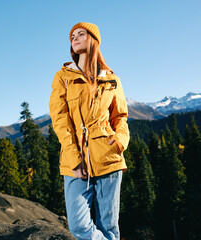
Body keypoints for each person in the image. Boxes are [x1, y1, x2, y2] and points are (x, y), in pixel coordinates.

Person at [49, 22, 130, 240]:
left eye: (80, 34)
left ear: (93, 39)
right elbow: (60, 120)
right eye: (72, 36)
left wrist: (120, 141)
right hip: (74, 161)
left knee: (109, 227)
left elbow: (120, 117)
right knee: (79, 226)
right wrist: (75, 158)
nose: (74, 38)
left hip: (108, 156)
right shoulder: (63, 77)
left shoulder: (112, 79)